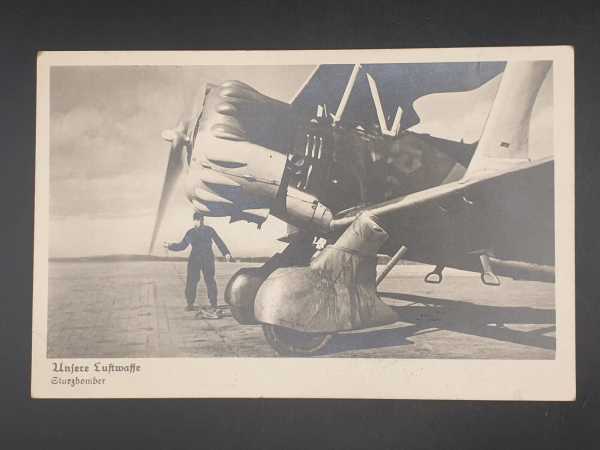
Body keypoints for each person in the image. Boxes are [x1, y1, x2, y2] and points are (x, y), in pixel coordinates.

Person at [163, 212, 232, 318]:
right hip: (194, 259)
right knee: (191, 280)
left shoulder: (210, 230)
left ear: (202, 220)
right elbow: (182, 246)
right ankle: (190, 303)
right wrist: (170, 246)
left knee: (210, 280)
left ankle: (213, 304)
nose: (197, 222)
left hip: (208, 258)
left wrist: (226, 253)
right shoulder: (190, 233)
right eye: (196, 220)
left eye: (199, 220)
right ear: (193, 220)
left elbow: (219, 241)